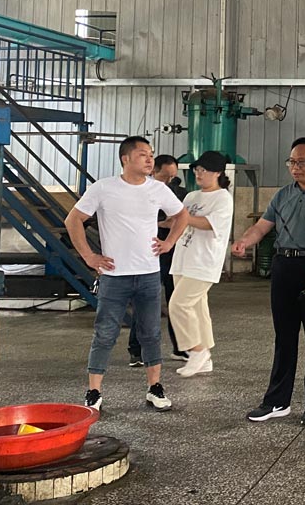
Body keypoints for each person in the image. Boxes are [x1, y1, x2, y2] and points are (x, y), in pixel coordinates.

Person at [66, 136, 187, 412]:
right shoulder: (104, 188)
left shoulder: (157, 189)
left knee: (151, 333)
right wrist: (89, 256)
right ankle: (94, 392)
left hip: (148, 274)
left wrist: (169, 242)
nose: (150, 159)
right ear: (126, 158)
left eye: (151, 154)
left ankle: (155, 388)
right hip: (114, 276)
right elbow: (73, 219)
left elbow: (182, 215)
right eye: (143, 154)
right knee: (105, 333)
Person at [232, 137, 305, 425]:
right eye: (292, 162)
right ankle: (277, 401)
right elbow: (262, 227)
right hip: (284, 265)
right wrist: (245, 241)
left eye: (303, 162)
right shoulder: (282, 195)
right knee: (284, 336)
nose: (296, 167)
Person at [157, 151, 235, 378]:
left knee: (178, 305)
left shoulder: (222, 198)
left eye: (204, 170)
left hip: (204, 261)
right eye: (197, 170)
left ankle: (196, 350)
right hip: (183, 259)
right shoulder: (191, 196)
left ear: (217, 173)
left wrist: (182, 217)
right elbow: (177, 222)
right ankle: (205, 358)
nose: (199, 174)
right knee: (198, 308)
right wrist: (162, 225)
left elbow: (208, 223)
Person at [129, 154, 187, 367]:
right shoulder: (140, 192)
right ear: (153, 172)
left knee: (176, 301)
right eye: (165, 176)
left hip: (173, 252)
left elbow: (183, 218)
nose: (170, 180)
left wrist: (171, 232)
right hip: (147, 252)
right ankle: (136, 350)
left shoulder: (180, 193)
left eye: (173, 176)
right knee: (143, 302)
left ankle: (180, 347)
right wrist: (162, 223)